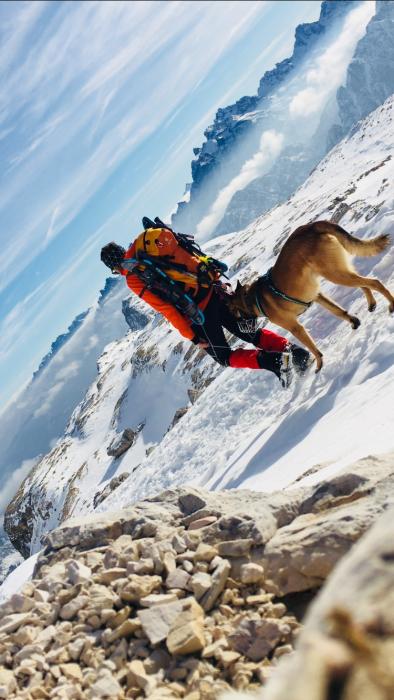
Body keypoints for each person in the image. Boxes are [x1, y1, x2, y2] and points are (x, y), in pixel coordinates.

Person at [100, 228, 311, 387]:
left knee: (223, 356)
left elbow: (167, 309)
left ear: (114, 268)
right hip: (214, 289)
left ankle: (276, 362)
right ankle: (294, 352)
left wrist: (192, 336)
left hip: (199, 312)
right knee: (250, 333)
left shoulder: (134, 277)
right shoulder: (147, 243)